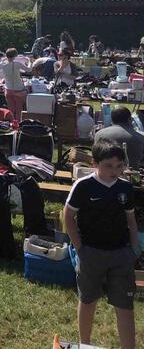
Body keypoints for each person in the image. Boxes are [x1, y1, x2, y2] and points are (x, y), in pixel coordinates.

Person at [64, 139, 138, 349]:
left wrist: (133, 250)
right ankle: (85, 344)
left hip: (120, 255)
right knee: (88, 301)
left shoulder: (125, 188)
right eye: (108, 166)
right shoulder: (84, 186)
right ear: (95, 164)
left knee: (125, 306)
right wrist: (79, 248)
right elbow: (68, 217)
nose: (114, 171)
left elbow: (130, 220)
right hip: (91, 253)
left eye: (119, 166)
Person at [0, 48, 30, 121]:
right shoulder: (17, 64)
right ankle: (18, 126)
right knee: (19, 110)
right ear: (15, 56)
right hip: (18, 89)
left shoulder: (2, 64)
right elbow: (29, 69)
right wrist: (29, 61)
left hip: (8, 89)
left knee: (11, 110)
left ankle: (11, 125)